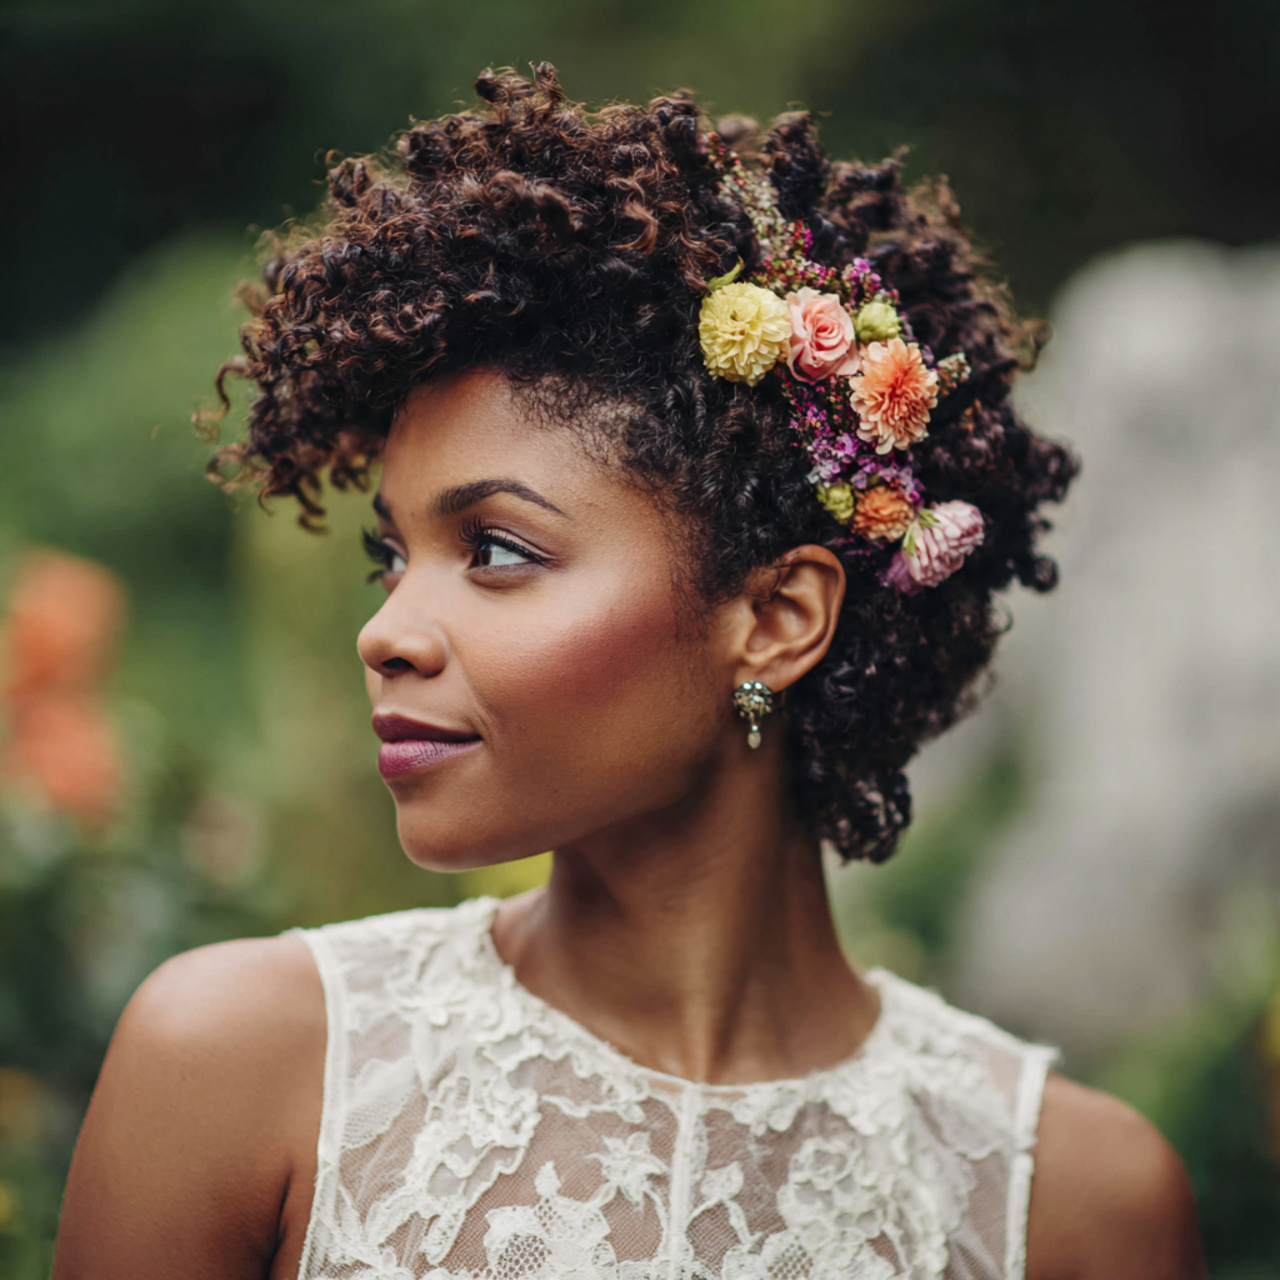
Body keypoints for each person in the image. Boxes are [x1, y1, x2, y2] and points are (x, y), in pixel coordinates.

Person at [52, 65, 1203, 1280]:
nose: (383, 629)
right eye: (391, 554)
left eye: (494, 548)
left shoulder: (1073, 1204)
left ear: (774, 616)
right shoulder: (243, 1068)